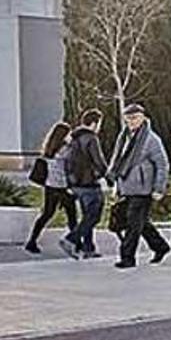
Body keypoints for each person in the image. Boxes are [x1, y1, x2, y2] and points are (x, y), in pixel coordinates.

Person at [108, 103, 171, 268]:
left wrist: (159, 188)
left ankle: (127, 258)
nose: (131, 121)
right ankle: (160, 246)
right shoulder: (123, 137)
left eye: (134, 117)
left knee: (133, 224)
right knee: (140, 223)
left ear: (143, 117)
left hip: (144, 189)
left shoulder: (151, 139)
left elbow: (162, 164)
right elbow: (118, 162)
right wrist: (116, 186)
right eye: (128, 118)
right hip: (126, 187)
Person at [63, 109, 109, 260]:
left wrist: (70, 182)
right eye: (99, 123)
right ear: (95, 123)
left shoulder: (74, 138)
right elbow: (99, 161)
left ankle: (88, 248)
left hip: (76, 184)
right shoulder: (91, 138)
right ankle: (71, 239)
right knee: (94, 216)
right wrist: (106, 176)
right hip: (89, 182)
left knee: (86, 216)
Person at [25, 122, 78, 254]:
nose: (69, 136)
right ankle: (78, 244)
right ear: (63, 135)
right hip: (62, 187)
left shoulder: (49, 149)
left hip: (50, 186)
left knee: (46, 214)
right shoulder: (65, 150)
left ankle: (32, 241)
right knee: (72, 216)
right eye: (68, 134)